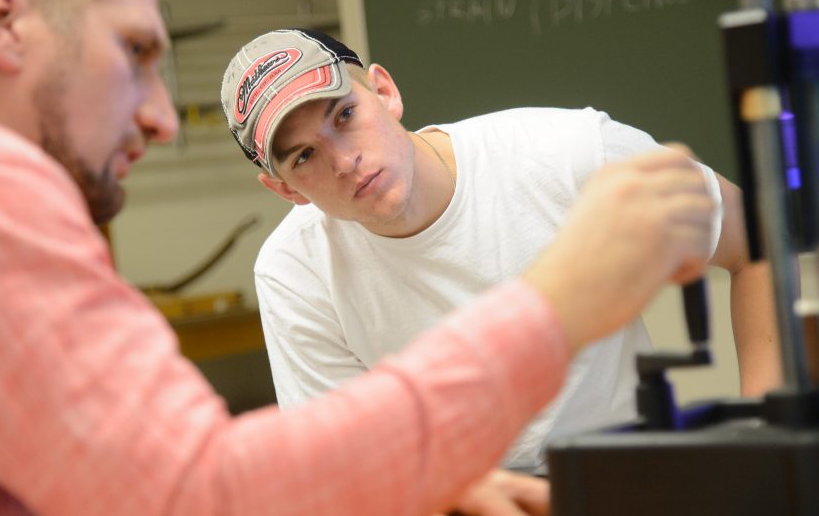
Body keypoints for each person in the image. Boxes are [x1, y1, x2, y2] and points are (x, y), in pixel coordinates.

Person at [0, 0, 715, 516]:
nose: (164, 118)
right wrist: (556, 304)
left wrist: (380, 481)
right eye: (136, 52)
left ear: (383, 92)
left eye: (343, 118)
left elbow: (112, 504)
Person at [221, 28, 781, 475]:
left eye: (345, 116)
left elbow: (758, 240)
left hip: (628, 479)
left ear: (384, 92)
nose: (345, 162)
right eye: (304, 158)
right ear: (286, 191)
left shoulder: (565, 153)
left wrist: (766, 441)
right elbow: (346, 468)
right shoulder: (293, 273)